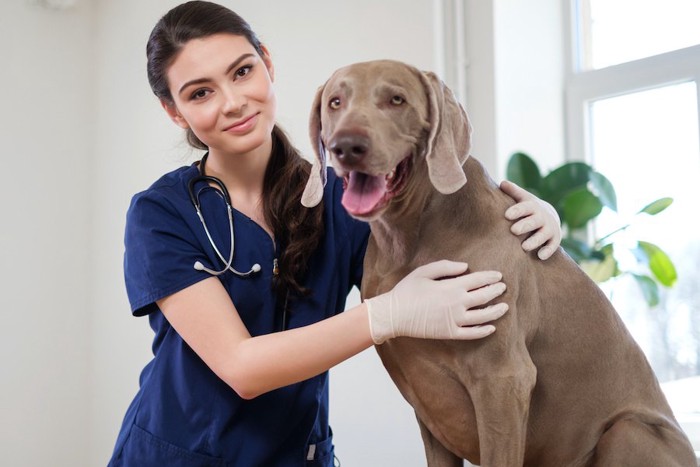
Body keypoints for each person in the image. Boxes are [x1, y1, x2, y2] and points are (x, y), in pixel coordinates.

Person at [107, 2, 562, 466]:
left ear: (267, 62)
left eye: (242, 72)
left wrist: (525, 224)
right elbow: (241, 366)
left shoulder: (344, 202)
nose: (233, 101)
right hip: (179, 456)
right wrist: (387, 316)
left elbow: (449, 255)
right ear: (174, 111)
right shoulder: (161, 214)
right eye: (200, 93)